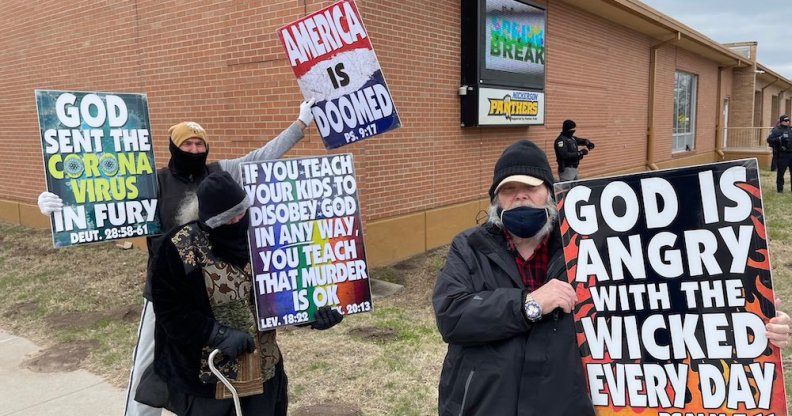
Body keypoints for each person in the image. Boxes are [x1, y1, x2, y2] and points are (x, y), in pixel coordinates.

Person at [432, 140, 792, 416]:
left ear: (551, 194)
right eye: (509, 190)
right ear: (496, 200)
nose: (520, 196)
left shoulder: (591, 246)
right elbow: (452, 315)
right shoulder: (471, 246)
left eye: (531, 187)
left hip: (565, 405)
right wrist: (529, 303)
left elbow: (657, 306)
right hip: (482, 404)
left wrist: (747, 317)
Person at [36, 98, 316, 416]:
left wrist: (300, 125)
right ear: (173, 146)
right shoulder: (152, 182)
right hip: (167, 291)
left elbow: (262, 157)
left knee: (210, 369)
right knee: (150, 360)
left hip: (217, 293)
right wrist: (62, 207)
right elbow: (104, 203)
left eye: (200, 143)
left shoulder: (221, 173)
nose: (195, 150)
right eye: (188, 143)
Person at [151, 171, 343, 415]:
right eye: (227, 218)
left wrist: (311, 314)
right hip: (209, 379)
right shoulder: (179, 247)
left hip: (264, 367)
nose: (237, 222)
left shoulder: (264, 238)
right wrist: (217, 334)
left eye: (241, 212)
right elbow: (171, 312)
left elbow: (282, 292)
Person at [767, 114, 792, 192]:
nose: (787, 122)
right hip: (782, 154)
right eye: (785, 120)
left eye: (788, 120)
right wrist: (779, 138)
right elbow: (769, 140)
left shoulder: (790, 129)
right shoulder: (776, 130)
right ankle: (780, 189)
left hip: (791, 154)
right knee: (781, 173)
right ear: (781, 121)